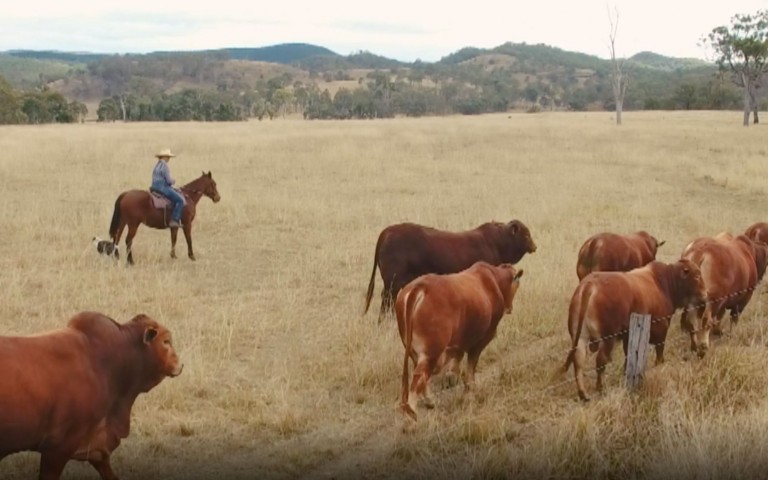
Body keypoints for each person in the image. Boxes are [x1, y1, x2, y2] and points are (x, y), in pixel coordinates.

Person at [150, 148, 185, 228]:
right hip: (162, 188)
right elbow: (169, 180)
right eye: (168, 157)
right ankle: (174, 220)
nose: (169, 159)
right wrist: (173, 181)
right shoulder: (165, 166)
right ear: (165, 157)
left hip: (154, 187)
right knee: (180, 200)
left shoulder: (157, 165)